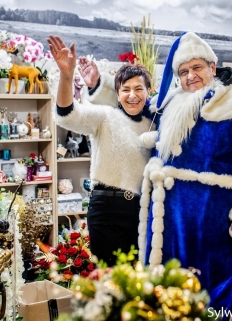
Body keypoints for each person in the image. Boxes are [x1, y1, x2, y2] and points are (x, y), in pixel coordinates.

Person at [138, 32, 232, 291]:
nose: (190, 76)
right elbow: (132, 106)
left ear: (212, 67)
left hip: (212, 221)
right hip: (167, 222)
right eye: (183, 71)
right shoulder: (171, 104)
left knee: (215, 293)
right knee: (169, 292)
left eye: (196, 67)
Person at [47, 35, 156, 266]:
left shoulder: (157, 124)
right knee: (110, 287)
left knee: (140, 287)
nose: (132, 95)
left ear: (149, 91)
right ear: (117, 94)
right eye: (125, 89)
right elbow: (67, 115)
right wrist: (67, 76)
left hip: (144, 213)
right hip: (107, 211)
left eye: (139, 88)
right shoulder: (105, 116)